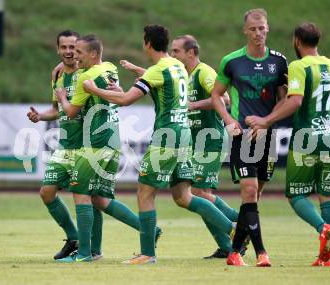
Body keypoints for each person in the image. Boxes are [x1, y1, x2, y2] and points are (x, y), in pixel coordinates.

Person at [83, 24, 234, 265]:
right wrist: (135, 76)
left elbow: (125, 100)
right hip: (184, 136)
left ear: (147, 44)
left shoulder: (158, 69)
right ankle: (234, 229)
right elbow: (158, 86)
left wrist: (94, 89)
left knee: (145, 193)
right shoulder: (178, 67)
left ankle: (147, 254)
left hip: (166, 138)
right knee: (184, 196)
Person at [120, 35, 241, 259]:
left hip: (207, 138)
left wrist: (193, 104)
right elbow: (157, 78)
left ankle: (241, 225)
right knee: (186, 195)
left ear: (191, 53)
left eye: (176, 51)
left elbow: (224, 99)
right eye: (172, 50)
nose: (173, 54)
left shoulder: (204, 72)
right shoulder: (180, 71)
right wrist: (137, 69)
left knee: (197, 192)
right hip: (189, 138)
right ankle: (233, 234)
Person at [53, 34, 161, 262]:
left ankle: (83, 253)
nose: (75, 56)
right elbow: (119, 93)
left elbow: (71, 112)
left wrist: (62, 97)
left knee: (81, 193)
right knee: (99, 198)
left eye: (79, 52)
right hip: (113, 142)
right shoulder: (109, 68)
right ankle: (148, 230)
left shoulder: (86, 78)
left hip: (94, 143)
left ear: (93, 54)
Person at [247, 22, 330, 267]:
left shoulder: (299, 66)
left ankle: (323, 228)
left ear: (297, 41)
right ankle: (325, 256)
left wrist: (266, 120)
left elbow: (296, 102)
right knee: (327, 194)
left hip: (306, 137)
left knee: (295, 194)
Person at [211, 8, 288, 266]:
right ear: (245, 30)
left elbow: (284, 100)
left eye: (262, 28)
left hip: (267, 137)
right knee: (250, 191)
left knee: (253, 198)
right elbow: (216, 95)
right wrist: (229, 121)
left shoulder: (279, 62)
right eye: (253, 29)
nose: (258, 33)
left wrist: (267, 123)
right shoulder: (231, 61)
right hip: (241, 137)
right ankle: (261, 253)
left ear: (268, 29)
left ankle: (233, 253)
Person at [27, 30, 90, 260]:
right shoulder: (57, 74)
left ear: (80, 48)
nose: (68, 51)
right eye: (64, 47)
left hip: (86, 146)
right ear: (58, 49)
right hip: (65, 146)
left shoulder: (87, 72)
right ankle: (74, 238)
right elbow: (56, 109)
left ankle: (91, 248)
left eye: (73, 47)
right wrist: (40, 117)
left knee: (91, 197)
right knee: (47, 192)